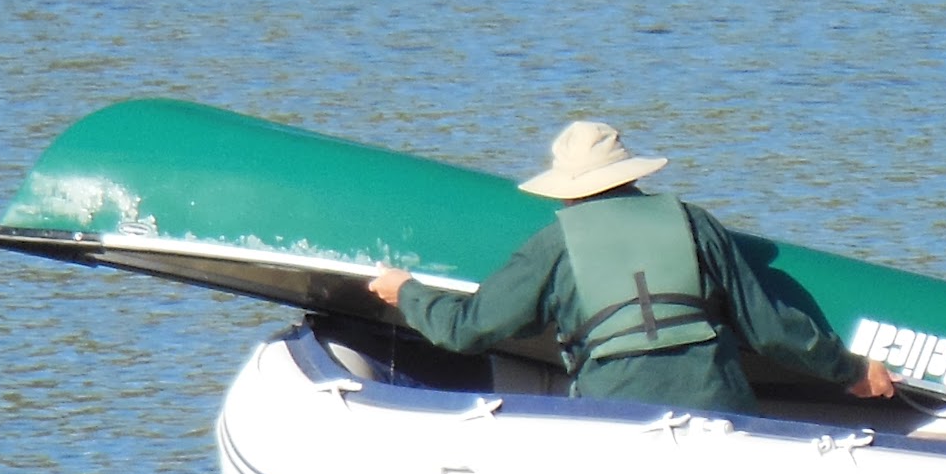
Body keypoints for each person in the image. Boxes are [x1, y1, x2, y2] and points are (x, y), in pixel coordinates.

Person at [368, 120, 895, 414]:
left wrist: (406, 291)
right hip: (722, 408)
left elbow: (469, 330)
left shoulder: (554, 244)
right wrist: (852, 371)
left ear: (567, 189)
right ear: (629, 176)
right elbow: (773, 328)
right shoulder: (694, 223)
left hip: (615, 413)